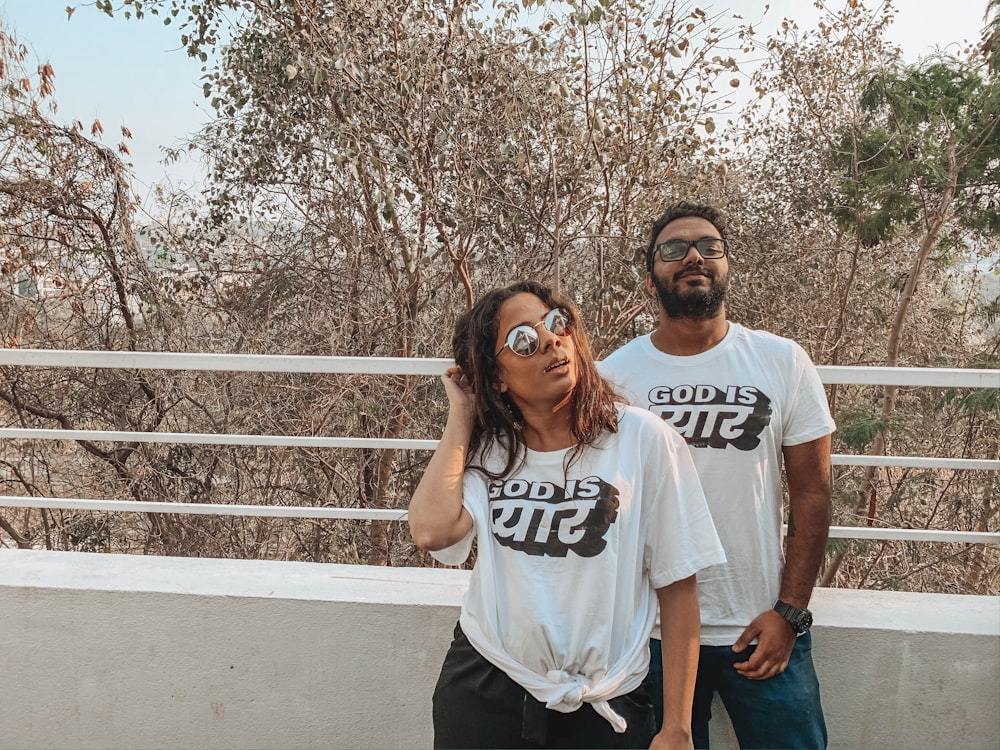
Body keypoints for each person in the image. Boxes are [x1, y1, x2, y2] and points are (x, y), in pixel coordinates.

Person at [408, 280, 726, 750]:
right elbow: (431, 531)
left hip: (607, 701)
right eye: (524, 340)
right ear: (496, 376)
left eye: (555, 323)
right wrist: (462, 414)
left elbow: (678, 588)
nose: (552, 341)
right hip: (487, 686)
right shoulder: (491, 452)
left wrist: (677, 727)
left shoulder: (641, 439)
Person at [600, 202, 835, 750]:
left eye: (708, 246)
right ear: (651, 271)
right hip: (651, 635)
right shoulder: (613, 378)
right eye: (673, 249)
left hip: (761, 626)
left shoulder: (781, 361)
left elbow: (812, 492)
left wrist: (791, 613)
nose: (693, 257)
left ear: (727, 264)